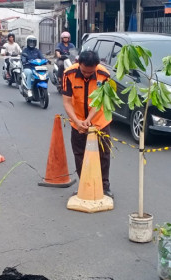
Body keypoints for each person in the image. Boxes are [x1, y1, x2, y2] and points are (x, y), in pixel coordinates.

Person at [61, 50, 114, 198]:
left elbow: (100, 101)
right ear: (79, 64)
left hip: (99, 121)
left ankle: (104, 186)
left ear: (96, 67)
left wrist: (89, 120)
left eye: (90, 73)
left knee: (104, 154)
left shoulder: (104, 75)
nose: (86, 75)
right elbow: (66, 102)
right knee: (80, 154)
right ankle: (84, 184)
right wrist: (78, 122)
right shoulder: (68, 74)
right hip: (77, 121)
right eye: (84, 71)